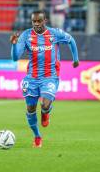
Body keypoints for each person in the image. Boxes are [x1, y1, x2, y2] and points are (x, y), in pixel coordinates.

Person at [10, 10, 79, 148]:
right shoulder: (26, 35)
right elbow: (15, 58)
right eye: (34, 21)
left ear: (45, 21)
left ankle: (45, 113)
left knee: (45, 104)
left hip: (50, 76)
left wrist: (75, 58)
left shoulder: (55, 33)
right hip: (32, 78)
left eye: (39, 21)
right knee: (30, 109)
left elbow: (71, 40)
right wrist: (13, 44)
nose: (36, 24)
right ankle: (37, 136)